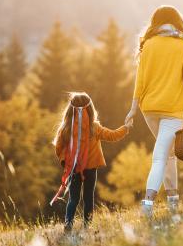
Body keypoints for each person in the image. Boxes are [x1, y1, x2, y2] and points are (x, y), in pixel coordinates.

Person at [125, 5, 183, 217]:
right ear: (178, 21)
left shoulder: (148, 44)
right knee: (162, 156)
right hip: (173, 110)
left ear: (156, 23)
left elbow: (139, 81)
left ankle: (172, 202)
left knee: (169, 154)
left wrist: (133, 109)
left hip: (148, 108)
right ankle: (148, 204)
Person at [52, 92, 129, 232]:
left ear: (70, 110)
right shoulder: (95, 127)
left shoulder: (65, 128)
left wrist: (65, 161)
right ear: (90, 109)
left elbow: (58, 147)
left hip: (74, 168)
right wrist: (126, 128)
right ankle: (87, 225)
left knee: (73, 198)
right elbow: (112, 135)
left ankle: (68, 223)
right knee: (88, 197)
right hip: (91, 169)